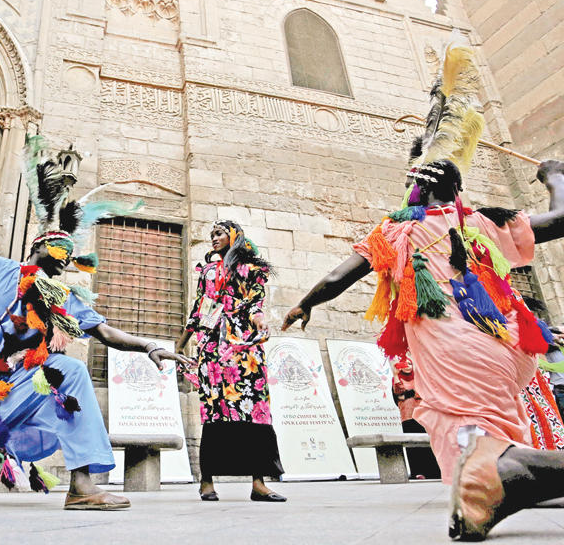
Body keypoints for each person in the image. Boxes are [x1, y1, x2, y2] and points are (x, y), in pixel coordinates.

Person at [282, 158, 564, 539]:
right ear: (457, 189)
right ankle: (485, 501)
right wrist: (554, 176)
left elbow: (337, 277)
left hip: (456, 348)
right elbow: (561, 217)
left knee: (457, 424)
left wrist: (305, 304)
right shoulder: (482, 221)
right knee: (476, 433)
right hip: (505, 346)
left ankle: (523, 473)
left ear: (416, 189)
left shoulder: (397, 230)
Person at [0, 136, 192, 509]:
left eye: (71, 257)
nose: (65, 260)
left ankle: (82, 486)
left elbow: (103, 331)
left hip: (24, 379)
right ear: (38, 246)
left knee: (70, 371)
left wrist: (149, 346)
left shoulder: (64, 297)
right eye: (59, 251)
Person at [175, 220, 285, 502]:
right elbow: (200, 309)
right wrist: (179, 345)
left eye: (219, 233)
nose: (214, 238)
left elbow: (256, 304)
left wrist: (261, 324)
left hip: (245, 349)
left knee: (255, 411)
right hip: (213, 349)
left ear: (234, 237)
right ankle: (207, 482)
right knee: (214, 413)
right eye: (212, 234)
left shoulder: (251, 270)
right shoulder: (209, 271)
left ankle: (259, 483)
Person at [392, 354, 441, 479]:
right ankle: (418, 472)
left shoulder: (420, 377)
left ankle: (433, 472)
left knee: (428, 443)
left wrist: (406, 395)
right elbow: (398, 393)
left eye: (409, 363)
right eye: (404, 364)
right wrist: (396, 374)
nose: (407, 366)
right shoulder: (397, 379)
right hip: (408, 416)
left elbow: (420, 393)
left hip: (423, 414)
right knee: (412, 445)